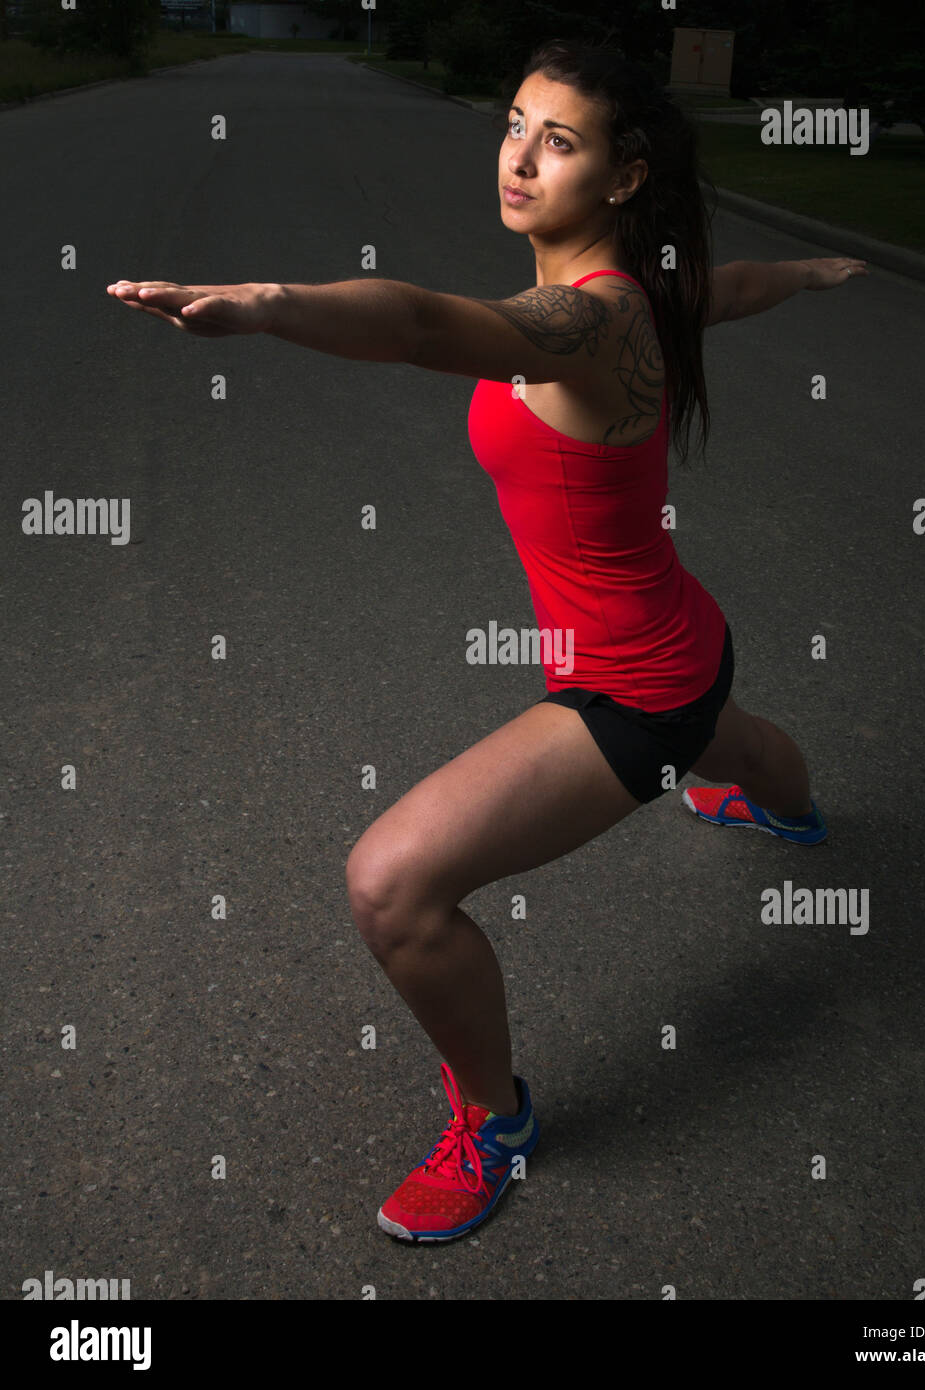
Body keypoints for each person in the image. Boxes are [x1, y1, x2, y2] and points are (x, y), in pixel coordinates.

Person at [106, 38, 867, 1245]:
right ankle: (784, 803)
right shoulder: (656, 290)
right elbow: (736, 288)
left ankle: (492, 1118)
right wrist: (816, 272)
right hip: (683, 636)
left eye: (557, 141)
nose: (516, 155)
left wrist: (271, 307)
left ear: (622, 177)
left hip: (630, 687)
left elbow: (414, 322)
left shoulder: (583, 324)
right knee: (725, 739)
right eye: (513, 122)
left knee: (393, 884)